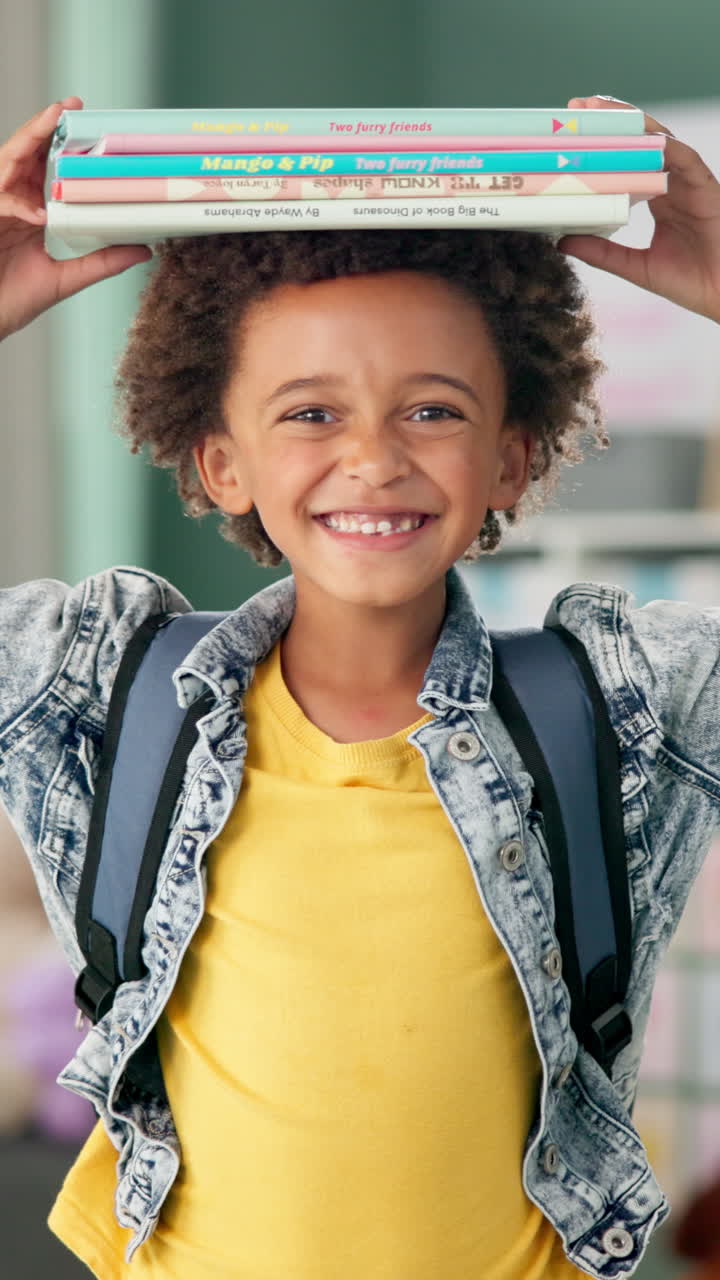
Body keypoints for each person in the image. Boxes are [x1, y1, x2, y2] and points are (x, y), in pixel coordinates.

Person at [0, 93, 719, 1280]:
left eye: (434, 409)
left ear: (512, 455)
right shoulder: (99, 691)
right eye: (311, 412)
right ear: (219, 459)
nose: (375, 456)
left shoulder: (617, 708)